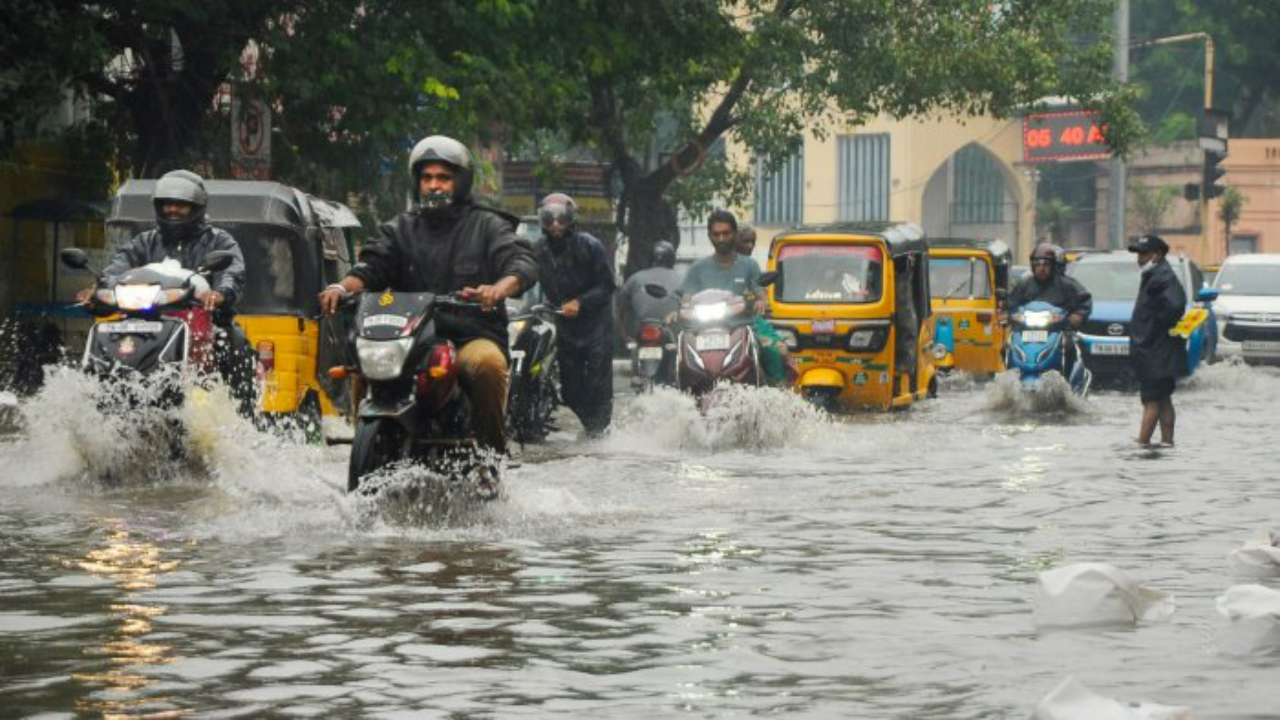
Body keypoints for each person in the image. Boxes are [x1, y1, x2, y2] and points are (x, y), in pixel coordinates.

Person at [319, 135, 538, 456]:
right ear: (417, 182)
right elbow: (370, 267)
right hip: (410, 341)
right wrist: (341, 287)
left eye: (444, 178)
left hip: (469, 337)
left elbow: (521, 262)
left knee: (489, 365)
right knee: (364, 368)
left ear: (461, 182)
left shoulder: (487, 225)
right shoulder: (399, 229)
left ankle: (491, 458)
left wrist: (497, 289)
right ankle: (365, 444)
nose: (434, 185)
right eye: (427, 178)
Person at [78, 170, 253, 407]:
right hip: (143, 319)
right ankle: (92, 397)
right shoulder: (144, 242)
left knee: (235, 340)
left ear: (196, 207)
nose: (172, 209)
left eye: (181, 205)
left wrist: (220, 293)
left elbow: (232, 271)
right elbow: (117, 268)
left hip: (205, 321)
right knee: (108, 334)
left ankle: (243, 413)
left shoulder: (219, 240)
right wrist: (100, 289)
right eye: (167, 204)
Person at [532, 192, 616, 436]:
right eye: (549, 219)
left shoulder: (590, 245)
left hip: (596, 326)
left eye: (562, 218)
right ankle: (592, 426)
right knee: (569, 390)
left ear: (571, 219)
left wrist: (581, 302)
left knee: (599, 385)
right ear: (542, 221)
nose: (556, 225)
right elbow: (524, 276)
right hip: (566, 327)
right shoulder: (538, 250)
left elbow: (607, 285)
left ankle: (599, 434)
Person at [682, 210, 790, 385]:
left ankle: (777, 393)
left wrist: (761, 301)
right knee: (678, 351)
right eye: (716, 234)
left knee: (774, 350)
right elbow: (686, 297)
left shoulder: (749, 265)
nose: (721, 238)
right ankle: (676, 391)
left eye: (726, 233)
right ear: (710, 236)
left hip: (744, 326)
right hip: (703, 329)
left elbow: (759, 290)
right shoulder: (697, 268)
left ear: (733, 234)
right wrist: (680, 308)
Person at [1127, 234, 1187, 446]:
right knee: (1162, 398)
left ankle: (1142, 445)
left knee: (1151, 399)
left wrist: (1158, 328)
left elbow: (1175, 305)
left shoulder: (1162, 277)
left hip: (1155, 350)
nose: (1139, 259)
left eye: (1144, 254)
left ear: (1158, 254)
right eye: (1138, 254)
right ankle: (1167, 443)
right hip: (1155, 350)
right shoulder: (1155, 275)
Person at [1006, 243, 1093, 380]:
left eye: (1045, 265)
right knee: (1006, 346)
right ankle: (1010, 380)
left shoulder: (1066, 284)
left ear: (1052, 266)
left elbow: (1084, 300)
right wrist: (1010, 314)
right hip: (1026, 330)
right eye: (1038, 264)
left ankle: (1066, 381)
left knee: (1069, 347)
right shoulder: (1024, 285)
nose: (1041, 268)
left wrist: (1078, 315)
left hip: (1058, 329)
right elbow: (1011, 303)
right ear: (1033, 266)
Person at [616, 240, 681, 340]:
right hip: (673, 334)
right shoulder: (681, 279)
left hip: (639, 333)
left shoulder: (635, 278)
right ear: (672, 259)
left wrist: (624, 336)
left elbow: (619, 306)